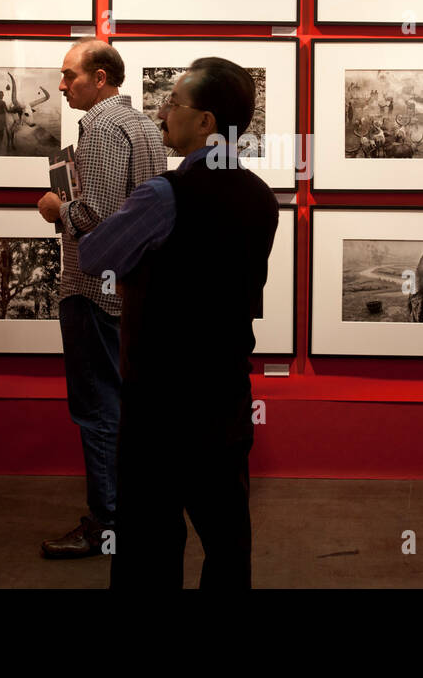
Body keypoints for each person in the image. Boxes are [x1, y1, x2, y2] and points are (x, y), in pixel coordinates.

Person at [78, 57, 278, 589]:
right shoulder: (262, 198)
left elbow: (96, 255)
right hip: (226, 396)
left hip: (160, 403)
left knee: (148, 544)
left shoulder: (164, 195)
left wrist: (73, 213)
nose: (163, 113)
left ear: (206, 122)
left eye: (174, 104)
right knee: (228, 542)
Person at [36, 40, 165, 559]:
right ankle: (130, 515)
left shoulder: (104, 129)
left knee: (96, 408)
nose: (63, 85)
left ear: (103, 77)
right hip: (131, 289)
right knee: (128, 404)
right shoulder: (142, 126)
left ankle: (105, 525)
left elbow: (100, 218)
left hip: (95, 290)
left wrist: (56, 208)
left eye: (70, 76)